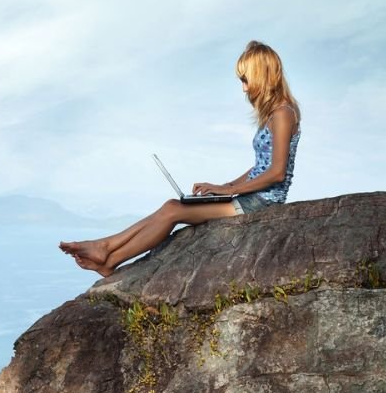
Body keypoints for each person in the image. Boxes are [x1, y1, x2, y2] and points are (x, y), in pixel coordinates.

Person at [60, 41, 301, 277]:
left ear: (263, 75)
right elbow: (260, 167)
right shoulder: (276, 113)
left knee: (173, 212)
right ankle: (107, 254)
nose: (244, 88)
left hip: (261, 203)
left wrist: (230, 189)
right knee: (170, 206)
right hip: (251, 198)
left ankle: (108, 254)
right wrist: (225, 187)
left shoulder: (283, 114)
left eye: (246, 80)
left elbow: (276, 172)